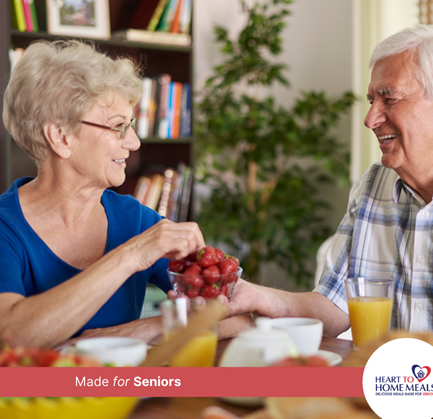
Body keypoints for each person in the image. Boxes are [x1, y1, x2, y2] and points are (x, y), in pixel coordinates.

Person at [224, 25, 433, 363]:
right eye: (372, 101)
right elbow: (333, 305)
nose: (370, 119)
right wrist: (256, 296)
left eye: (389, 98)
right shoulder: (373, 186)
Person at [0, 40, 251, 349]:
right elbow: (9, 337)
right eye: (118, 126)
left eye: (130, 125)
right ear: (60, 136)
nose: (134, 142)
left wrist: (131, 331)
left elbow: (237, 313)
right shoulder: (5, 227)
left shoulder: (135, 219)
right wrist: (131, 256)